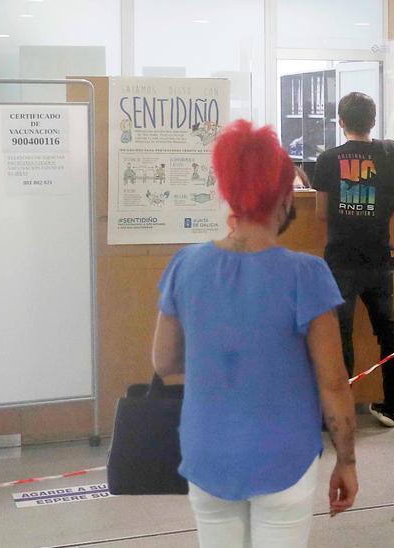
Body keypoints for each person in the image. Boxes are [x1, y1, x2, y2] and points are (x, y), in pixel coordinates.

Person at [152, 120, 357, 547]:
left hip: (207, 453)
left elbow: (164, 361)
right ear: (284, 197)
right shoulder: (307, 275)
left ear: (227, 191)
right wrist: (347, 460)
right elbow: (333, 383)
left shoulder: (184, 266)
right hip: (284, 456)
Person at [313, 92, 394, 426]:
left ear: (341, 122)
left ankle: (339, 413)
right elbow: (393, 204)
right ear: (373, 120)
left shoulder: (327, 160)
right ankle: (391, 407)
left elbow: (321, 213)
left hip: (340, 259)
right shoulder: (391, 156)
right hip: (379, 257)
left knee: (340, 336)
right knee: (388, 332)